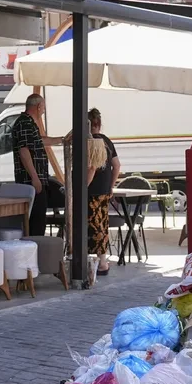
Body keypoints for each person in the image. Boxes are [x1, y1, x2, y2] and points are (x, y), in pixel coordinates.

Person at [12, 93, 65, 236]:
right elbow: (24, 151)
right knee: (36, 223)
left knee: (38, 221)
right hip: (30, 182)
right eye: (43, 108)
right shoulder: (25, 123)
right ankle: (34, 252)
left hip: (35, 180)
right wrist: (35, 177)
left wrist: (62, 140)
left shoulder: (29, 124)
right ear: (39, 106)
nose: (44, 111)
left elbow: (39, 141)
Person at [85, 108, 120, 276]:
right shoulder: (106, 141)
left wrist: (83, 185)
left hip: (91, 191)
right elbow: (117, 165)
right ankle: (103, 261)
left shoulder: (90, 142)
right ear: (99, 123)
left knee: (92, 226)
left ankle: (99, 264)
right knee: (102, 225)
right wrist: (111, 186)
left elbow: (91, 168)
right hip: (105, 190)